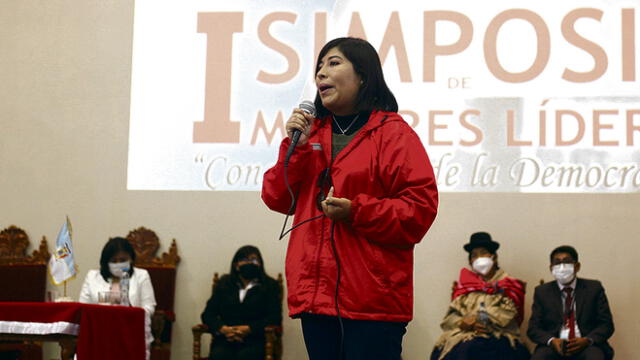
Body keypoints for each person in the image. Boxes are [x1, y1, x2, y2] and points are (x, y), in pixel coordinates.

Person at [261, 37, 438, 360]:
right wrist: (294, 150)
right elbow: (276, 198)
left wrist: (357, 212)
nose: (321, 74)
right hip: (315, 295)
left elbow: (418, 211)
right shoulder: (309, 134)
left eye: (334, 63)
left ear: (363, 76)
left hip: (373, 299)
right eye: (319, 67)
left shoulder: (393, 134)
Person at [430, 232, 529, 360]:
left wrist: (476, 321)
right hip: (465, 334)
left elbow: (507, 316)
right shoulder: (465, 286)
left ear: (494, 257)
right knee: (441, 351)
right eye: (474, 255)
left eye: (483, 253)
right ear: (470, 261)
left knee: (471, 350)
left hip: (499, 336)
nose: (479, 258)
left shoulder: (508, 285)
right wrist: (462, 323)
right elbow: (449, 318)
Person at [528, 245, 614, 360]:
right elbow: (533, 328)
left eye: (567, 262)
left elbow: (606, 325)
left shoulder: (594, 288)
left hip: (587, 345)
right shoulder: (542, 292)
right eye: (557, 263)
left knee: (595, 357)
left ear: (577, 266)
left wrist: (587, 340)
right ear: (551, 268)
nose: (562, 267)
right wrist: (552, 341)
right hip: (554, 346)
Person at [79, 237, 156, 360]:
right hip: (99, 335)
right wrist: (112, 301)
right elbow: (83, 308)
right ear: (106, 262)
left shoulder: (141, 276)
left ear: (131, 259)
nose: (119, 264)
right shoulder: (92, 276)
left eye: (123, 260)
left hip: (131, 335)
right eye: (114, 261)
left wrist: (128, 313)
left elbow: (149, 307)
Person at [200, 245, 282, 360]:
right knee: (219, 355)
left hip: (255, 339)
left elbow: (275, 317)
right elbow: (208, 314)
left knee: (246, 356)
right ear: (236, 265)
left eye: (254, 260)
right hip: (226, 339)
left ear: (260, 264)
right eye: (244, 260)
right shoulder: (224, 284)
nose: (249, 263)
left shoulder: (270, 285)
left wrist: (249, 329)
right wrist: (223, 329)